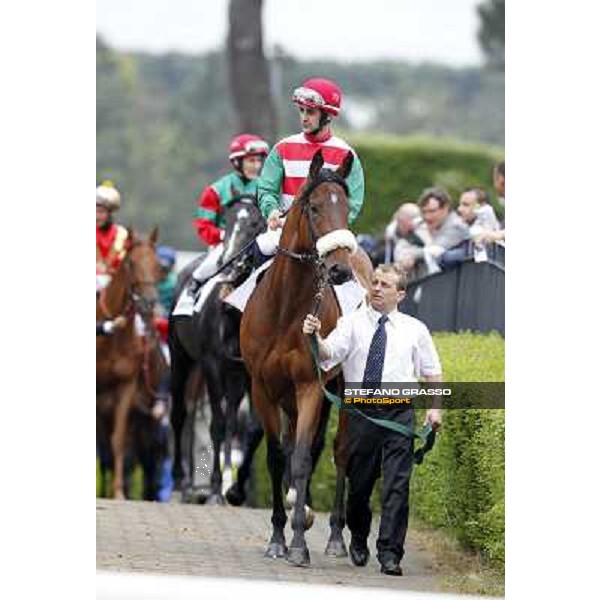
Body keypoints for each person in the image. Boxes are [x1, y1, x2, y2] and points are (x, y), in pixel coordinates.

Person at [302, 264, 442, 576]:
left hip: (399, 412)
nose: (377, 288)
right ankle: (359, 535)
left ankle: (390, 553)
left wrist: (435, 408)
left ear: (401, 294)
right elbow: (327, 355)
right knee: (360, 487)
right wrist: (316, 336)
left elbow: (432, 372)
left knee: (397, 485)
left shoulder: (415, 329)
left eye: (386, 285)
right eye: (374, 283)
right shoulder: (350, 323)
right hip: (362, 413)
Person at [255, 77, 365, 259]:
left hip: (328, 236)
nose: (304, 117)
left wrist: (328, 226)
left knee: (355, 273)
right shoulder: (282, 148)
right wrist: (272, 210)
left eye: (311, 112)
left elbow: (353, 202)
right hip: (285, 232)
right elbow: (266, 189)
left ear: (327, 116)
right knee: (259, 251)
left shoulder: (347, 154)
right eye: (302, 110)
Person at [188, 134, 270, 294]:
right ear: (237, 162)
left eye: (259, 161)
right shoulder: (215, 191)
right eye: (251, 161)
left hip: (256, 246)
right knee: (201, 272)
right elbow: (203, 226)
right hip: (224, 247)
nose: (256, 166)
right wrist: (226, 236)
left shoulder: (266, 189)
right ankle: (188, 299)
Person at [396, 188, 469, 275]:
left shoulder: (456, 226)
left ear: (445, 208)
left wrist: (411, 254)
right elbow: (402, 247)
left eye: (432, 211)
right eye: (424, 212)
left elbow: (434, 251)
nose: (427, 217)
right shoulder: (422, 225)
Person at [96, 180, 129, 292]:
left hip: (115, 286)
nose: (96, 216)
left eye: (100, 212)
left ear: (110, 214)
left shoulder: (122, 234)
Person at [384, 203, 431, 274]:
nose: (413, 225)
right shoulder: (392, 233)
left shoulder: (423, 229)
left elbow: (432, 249)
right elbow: (392, 259)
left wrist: (414, 255)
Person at [156, 246, 178, 317]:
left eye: (165, 269)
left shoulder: (175, 283)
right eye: (159, 267)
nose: (162, 272)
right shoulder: (146, 282)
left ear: (172, 266)